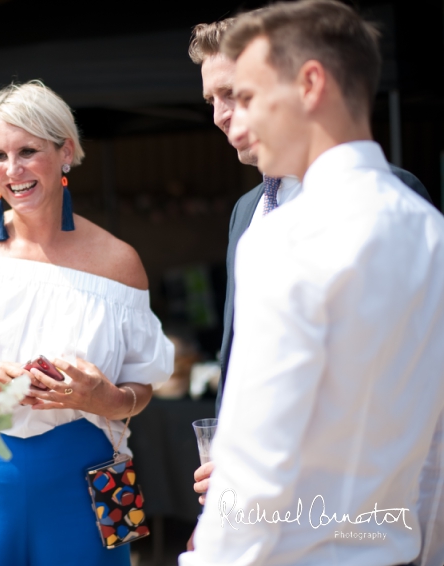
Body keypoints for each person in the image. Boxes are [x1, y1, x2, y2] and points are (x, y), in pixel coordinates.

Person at [180, 1, 444, 563]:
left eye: (247, 96)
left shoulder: (288, 238)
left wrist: (213, 548)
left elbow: (260, 455)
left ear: (309, 85)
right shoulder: (432, 231)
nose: (235, 119)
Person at [0, 80, 174, 566]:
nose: (13, 170)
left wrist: (105, 399)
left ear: (65, 151)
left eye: (28, 151)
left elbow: (144, 383)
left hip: (89, 472)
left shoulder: (119, 263)